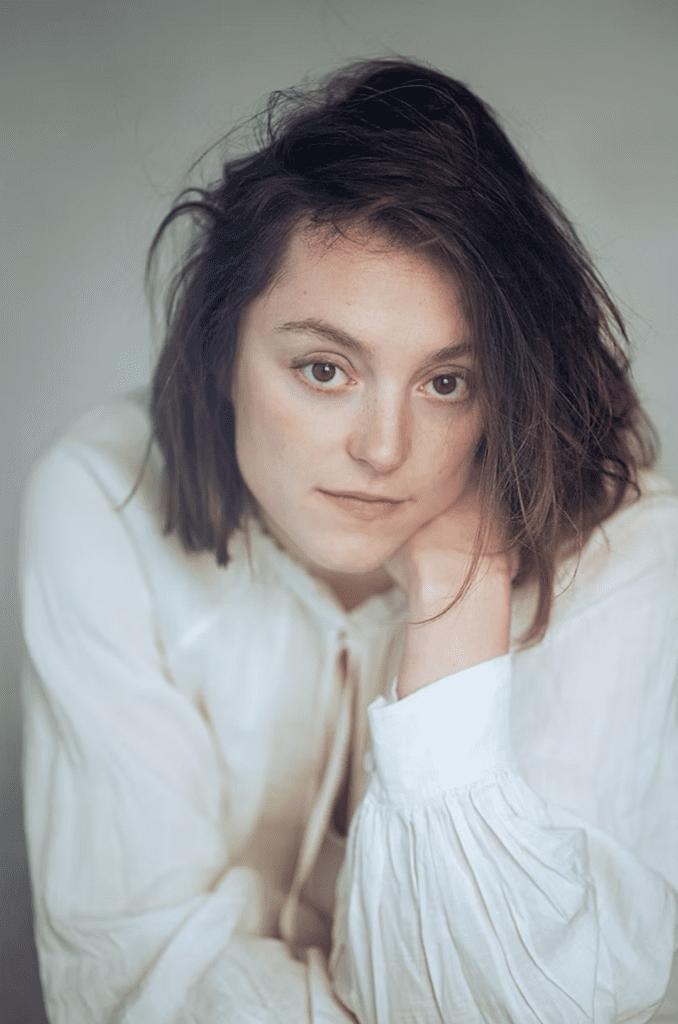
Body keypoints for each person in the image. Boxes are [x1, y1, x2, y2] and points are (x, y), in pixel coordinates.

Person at [18, 56, 678, 1023]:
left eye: (446, 383)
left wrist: (461, 594)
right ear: (221, 349)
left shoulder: (632, 559)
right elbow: (130, 981)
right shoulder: (100, 499)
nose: (383, 449)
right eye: (325, 369)